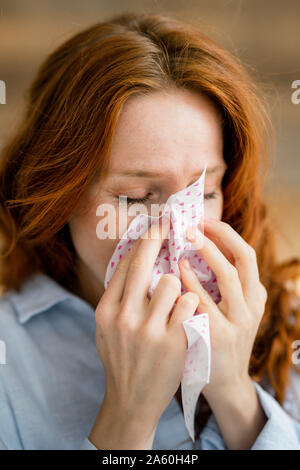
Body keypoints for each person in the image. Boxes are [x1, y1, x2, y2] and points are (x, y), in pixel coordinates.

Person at [0, 12, 299, 450]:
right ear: (56, 195)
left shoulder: (286, 327)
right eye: (138, 197)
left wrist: (234, 394)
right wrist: (127, 417)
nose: (178, 234)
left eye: (203, 191)